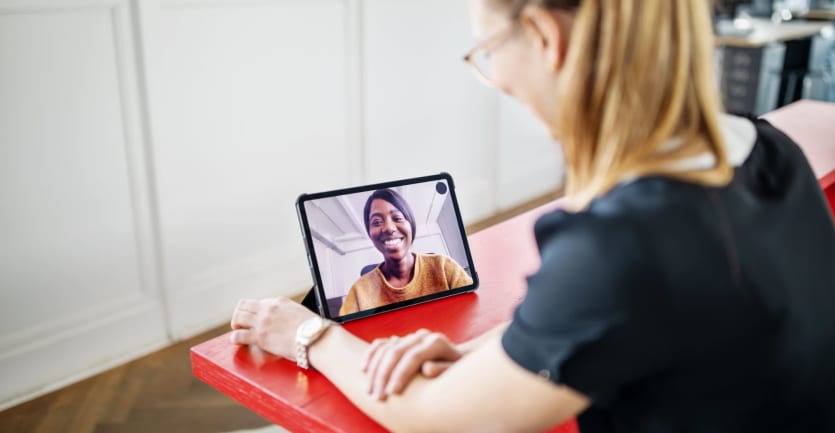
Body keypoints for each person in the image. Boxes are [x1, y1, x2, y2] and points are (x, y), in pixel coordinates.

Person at [230, 0, 835, 432]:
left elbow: (442, 419)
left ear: (546, 35)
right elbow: (644, 317)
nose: (497, 79)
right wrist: (483, 351)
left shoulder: (624, 240)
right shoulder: (770, 149)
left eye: (488, 52)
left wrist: (309, 335)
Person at [338, 189, 473, 315]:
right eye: (377, 222)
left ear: (411, 225)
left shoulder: (444, 267)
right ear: (370, 234)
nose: (389, 228)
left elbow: (471, 312)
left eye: (397, 218)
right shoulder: (358, 292)